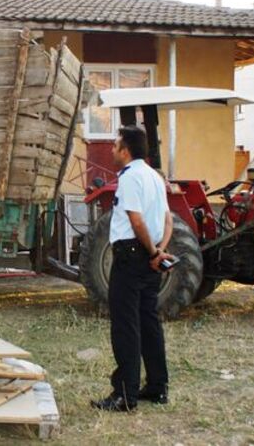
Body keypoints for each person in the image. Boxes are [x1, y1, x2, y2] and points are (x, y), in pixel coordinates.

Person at [92, 125, 174, 412]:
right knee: (149, 322)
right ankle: (157, 387)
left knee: (126, 325)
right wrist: (160, 251)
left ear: (125, 150)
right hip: (151, 255)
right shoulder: (154, 176)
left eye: (115, 146)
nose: (113, 150)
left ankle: (124, 394)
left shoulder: (128, 178)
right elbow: (168, 220)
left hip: (131, 254)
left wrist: (152, 251)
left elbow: (136, 220)